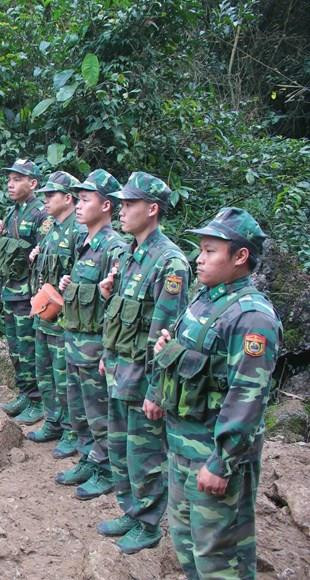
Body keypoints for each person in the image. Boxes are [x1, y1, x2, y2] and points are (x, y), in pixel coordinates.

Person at [150, 208, 281, 579]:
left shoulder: (251, 317)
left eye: (209, 251)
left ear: (240, 257)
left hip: (212, 456)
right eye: (201, 250)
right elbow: (191, 361)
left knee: (220, 557)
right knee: (187, 544)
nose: (198, 258)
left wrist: (221, 463)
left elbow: (248, 396)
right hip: (182, 448)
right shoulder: (205, 299)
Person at [96, 171, 190, 554]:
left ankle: (149, 523)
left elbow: (165, 337)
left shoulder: (171, 264)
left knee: (145, 455)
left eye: (129, 204)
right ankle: (131, 510)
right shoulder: (130, 254)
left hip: (143, 380)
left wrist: (156, 391)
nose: (121, 210)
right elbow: (120, 315)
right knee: (119, 448)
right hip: (120, 370)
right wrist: (107, 355)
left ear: (152, 209)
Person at [56, 169, 126, 499]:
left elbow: (119, 305)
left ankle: (106, 468)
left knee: (101, 415)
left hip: (95, 347)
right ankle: (88, 457)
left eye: (86, 200)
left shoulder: (114, 247)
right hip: (75, 341)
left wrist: (109, 351)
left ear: (107, 206)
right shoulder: (85, 242)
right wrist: (70, 286)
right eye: (78, 199)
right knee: (80, 410)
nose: (79, 206)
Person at [25, 171, 85, 460]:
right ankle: (52, 420)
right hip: (43, 312)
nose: (46, 200)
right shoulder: (49, 226)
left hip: (64, 319)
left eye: (51, 195)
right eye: (45, 194)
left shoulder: (80, 231)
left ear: (68, 198)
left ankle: (72, 429)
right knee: (44, 372)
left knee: (65, 379)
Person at [0, 158, 49, 421]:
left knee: (29, 349)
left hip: (28, 294)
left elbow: (44, 255)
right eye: (9, 180)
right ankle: (25, 393)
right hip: (10, 291)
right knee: (15, 347)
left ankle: (38, 402)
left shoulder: (41, 213)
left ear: (33, 183)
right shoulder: (13, 212)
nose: (10, 184)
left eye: (17, 179)